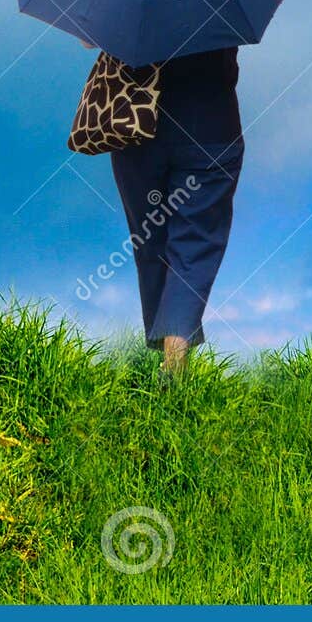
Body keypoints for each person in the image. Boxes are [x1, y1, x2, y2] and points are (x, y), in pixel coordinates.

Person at [108, 47, 244, 377]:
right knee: (195, 245)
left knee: (150, 240)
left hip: (137, 122)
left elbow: (91, 39)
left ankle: (166, 353)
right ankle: (175, 357)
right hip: (209, 125)